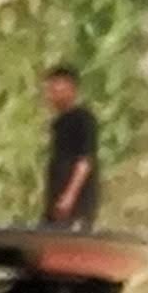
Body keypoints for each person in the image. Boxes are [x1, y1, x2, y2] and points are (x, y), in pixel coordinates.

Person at [40, 64, 102, 229]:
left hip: (77, 204)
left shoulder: (83, 119)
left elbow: (85, 161)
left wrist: (69, 196)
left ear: (70, 87)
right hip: (56, 203)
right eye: (49, 89)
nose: (51, 94)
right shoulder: (58, 123)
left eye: (55, 87)